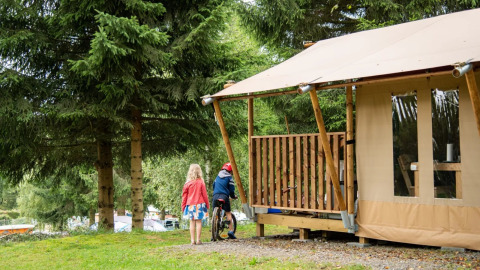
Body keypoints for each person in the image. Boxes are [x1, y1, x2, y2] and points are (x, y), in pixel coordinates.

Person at [182, 164, 209, 245]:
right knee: (199, 222)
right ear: (199, 172)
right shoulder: (201, 182)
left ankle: (192, 240)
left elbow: (184, 196)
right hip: (200, 204)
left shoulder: (187, 183)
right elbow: (205, 194)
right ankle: (198, 240)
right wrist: (207, 204)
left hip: (190, 205)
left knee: (192, 222)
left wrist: (183, 206)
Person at [212, 162, 237, 239]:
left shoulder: (217, 177)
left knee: (215, 214)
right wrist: (233, 196)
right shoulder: (229, 178)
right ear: (230, 171)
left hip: (215, 196)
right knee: (228, 213)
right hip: (224, 196)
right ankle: (231, 231)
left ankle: (213, 234)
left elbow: (214, 185)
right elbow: (231, 189)